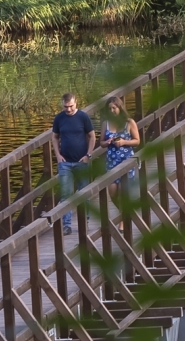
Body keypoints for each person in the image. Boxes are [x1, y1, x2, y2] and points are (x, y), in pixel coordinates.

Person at [52, 93, 96, 235]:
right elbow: (54, 136)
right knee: (66, 194)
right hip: (65, 162)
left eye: (71, 106)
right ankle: (66, 225)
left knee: (84, 193)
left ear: (76, 103)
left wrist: (88, 155)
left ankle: (85, 222)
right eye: (66, 107)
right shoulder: (59, 118)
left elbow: (92, 136)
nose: (69, 109)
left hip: (81, 161)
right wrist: (58, 155)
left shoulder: (83, 117)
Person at [103, 96, 141, 201]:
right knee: (112, 192)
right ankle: (123, 215)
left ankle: (124, 217)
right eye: (109, 109)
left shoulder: (129, 122)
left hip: (126, 160)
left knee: (123, 192)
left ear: (120, 108)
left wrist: (124, 142)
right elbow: (101, 143)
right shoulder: (105, 124)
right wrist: (107, 142)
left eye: (114, 108)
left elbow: (137, 141)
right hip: (111, 161)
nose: (112, 111)